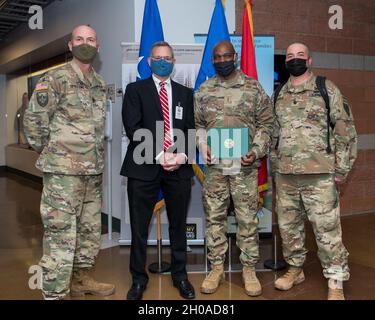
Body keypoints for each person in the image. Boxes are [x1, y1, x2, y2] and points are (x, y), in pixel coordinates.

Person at [23, 25, 115, 300]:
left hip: (93, 172)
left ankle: (81, 279)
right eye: (79, 39)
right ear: (69, 45)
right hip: (63, 174)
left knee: (88, 231)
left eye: (90, 39)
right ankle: (54, 293)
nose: (84, 43)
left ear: (98, 46)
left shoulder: (99, 83)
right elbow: (34, 122)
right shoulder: (55, 79)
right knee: (61, 234)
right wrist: (54, 154)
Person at [271, 42, 357, 300]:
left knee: (327, 229)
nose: (294, 59)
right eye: (290, 56)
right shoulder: (279, 94)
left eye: (300, 55)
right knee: (289, 227)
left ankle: (335, 279)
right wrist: (275, 166)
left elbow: (345, 131)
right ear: (285, 62)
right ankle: (295, 269)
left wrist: (341, 169)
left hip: (320, 175)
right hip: (286, 176)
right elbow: (274, 134)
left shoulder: (326, 88)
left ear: (309, 61)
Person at [194, 40, 274, 297]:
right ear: (212, 60)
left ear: (235, 56)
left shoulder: (253, 88)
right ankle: (216, 267)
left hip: (245, 168)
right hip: (216, 169)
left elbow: (267, 124)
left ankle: (249, 269)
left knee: (247, 219)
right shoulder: (204, 90)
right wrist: (202, 144)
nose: (221, 60)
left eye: (226, 56)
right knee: (214, 218)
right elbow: (198, 126)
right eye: (216, 57)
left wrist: (257, 150)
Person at [121, 41, 196, 300]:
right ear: (150, 62)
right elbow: (132, 127)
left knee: (178, 226)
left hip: (178, 168)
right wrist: (159, 155)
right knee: (140, 228)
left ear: (174, 62)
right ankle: (138, 280)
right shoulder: (135, 90)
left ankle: (180, 276)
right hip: (143, 167)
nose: (163, 61)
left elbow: (190, 129)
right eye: (158, 57)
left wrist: (182, 156)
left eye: (167, 57)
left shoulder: (186, 94)